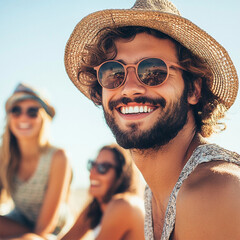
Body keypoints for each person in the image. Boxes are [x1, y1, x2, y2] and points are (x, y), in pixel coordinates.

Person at [64, 0, 240, 239]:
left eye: (154, 71)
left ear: (193, 90)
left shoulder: (213, 191)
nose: (130, 89)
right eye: (114, 73)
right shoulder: (154, 194)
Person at [0, 83, 73, 239]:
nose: (23, 117)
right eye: (16, 110)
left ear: (44, 118)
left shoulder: (58, 157)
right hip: (20, 222)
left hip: (52, 231)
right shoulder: (4, 156)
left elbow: (43, 229)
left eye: (32, 112)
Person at [61, 144, 145, 240]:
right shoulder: (95, 208)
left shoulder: (123, 205)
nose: (92, 173)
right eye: (92, 165)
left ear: (121, 175)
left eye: (102, 168)